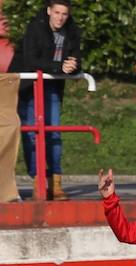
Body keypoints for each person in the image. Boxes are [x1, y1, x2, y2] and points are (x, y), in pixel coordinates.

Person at [7, 0, 81, 200]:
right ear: (49, 11)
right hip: (28, 86)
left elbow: (76, 58)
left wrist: (74, 65)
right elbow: (31, 60)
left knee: (53, 132)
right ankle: (39, 179)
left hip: (51, 86)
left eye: (64, 14)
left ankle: (55, 182)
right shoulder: (36, 27)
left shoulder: (72, 30)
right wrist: (59, 67)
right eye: (56, 12)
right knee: (32, 133)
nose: (60, 18)